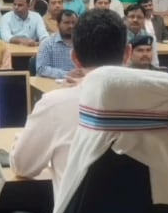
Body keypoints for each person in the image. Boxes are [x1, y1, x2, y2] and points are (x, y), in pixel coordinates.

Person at [12, 9, 128, 186]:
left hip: (79, 204)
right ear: (128, 53)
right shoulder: (160, 101)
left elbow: (22, 167)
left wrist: (20, 138)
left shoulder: (54, 104)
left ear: (74, 58)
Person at [35, 10, 80, 80]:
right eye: (66, 23)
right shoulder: (47, 43)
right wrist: (67, 74)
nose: (71, 26)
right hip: (52, 83)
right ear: (58, 25)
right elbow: (41, 69)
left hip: (78, 82)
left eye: (73, 23)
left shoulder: (82, 44)